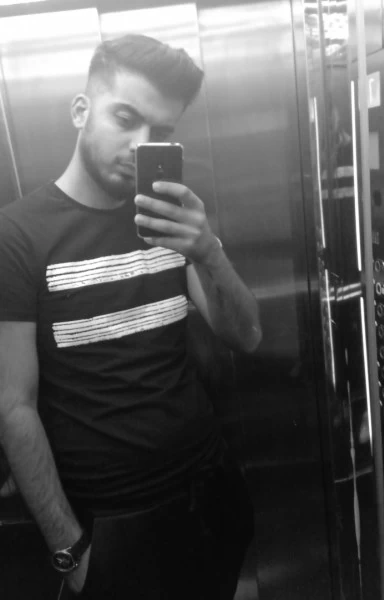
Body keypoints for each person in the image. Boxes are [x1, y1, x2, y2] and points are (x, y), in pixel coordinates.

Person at [0, 35, 262, 599]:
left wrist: (208, 250)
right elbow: (13, 405)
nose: (141, 144)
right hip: (112, 523)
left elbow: (246, 335)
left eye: (161, 131)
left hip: (212, 494)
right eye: (125, 118)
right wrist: (69, 549)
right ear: (81, 110)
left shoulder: (172, 220)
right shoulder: (15, 237)